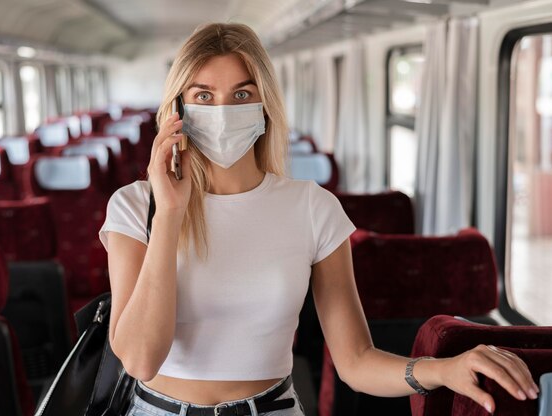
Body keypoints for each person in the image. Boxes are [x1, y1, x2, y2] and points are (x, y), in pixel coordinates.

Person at [98, 22, 539, 416]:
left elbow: (355, 361)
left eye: (242, 94)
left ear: (265, 105)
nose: (223, 109)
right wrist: (172, 213)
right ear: (178, 110)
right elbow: (139, 360)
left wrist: (442, 370)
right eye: (203, 96)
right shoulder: (135, 206)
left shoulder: (313, 207)